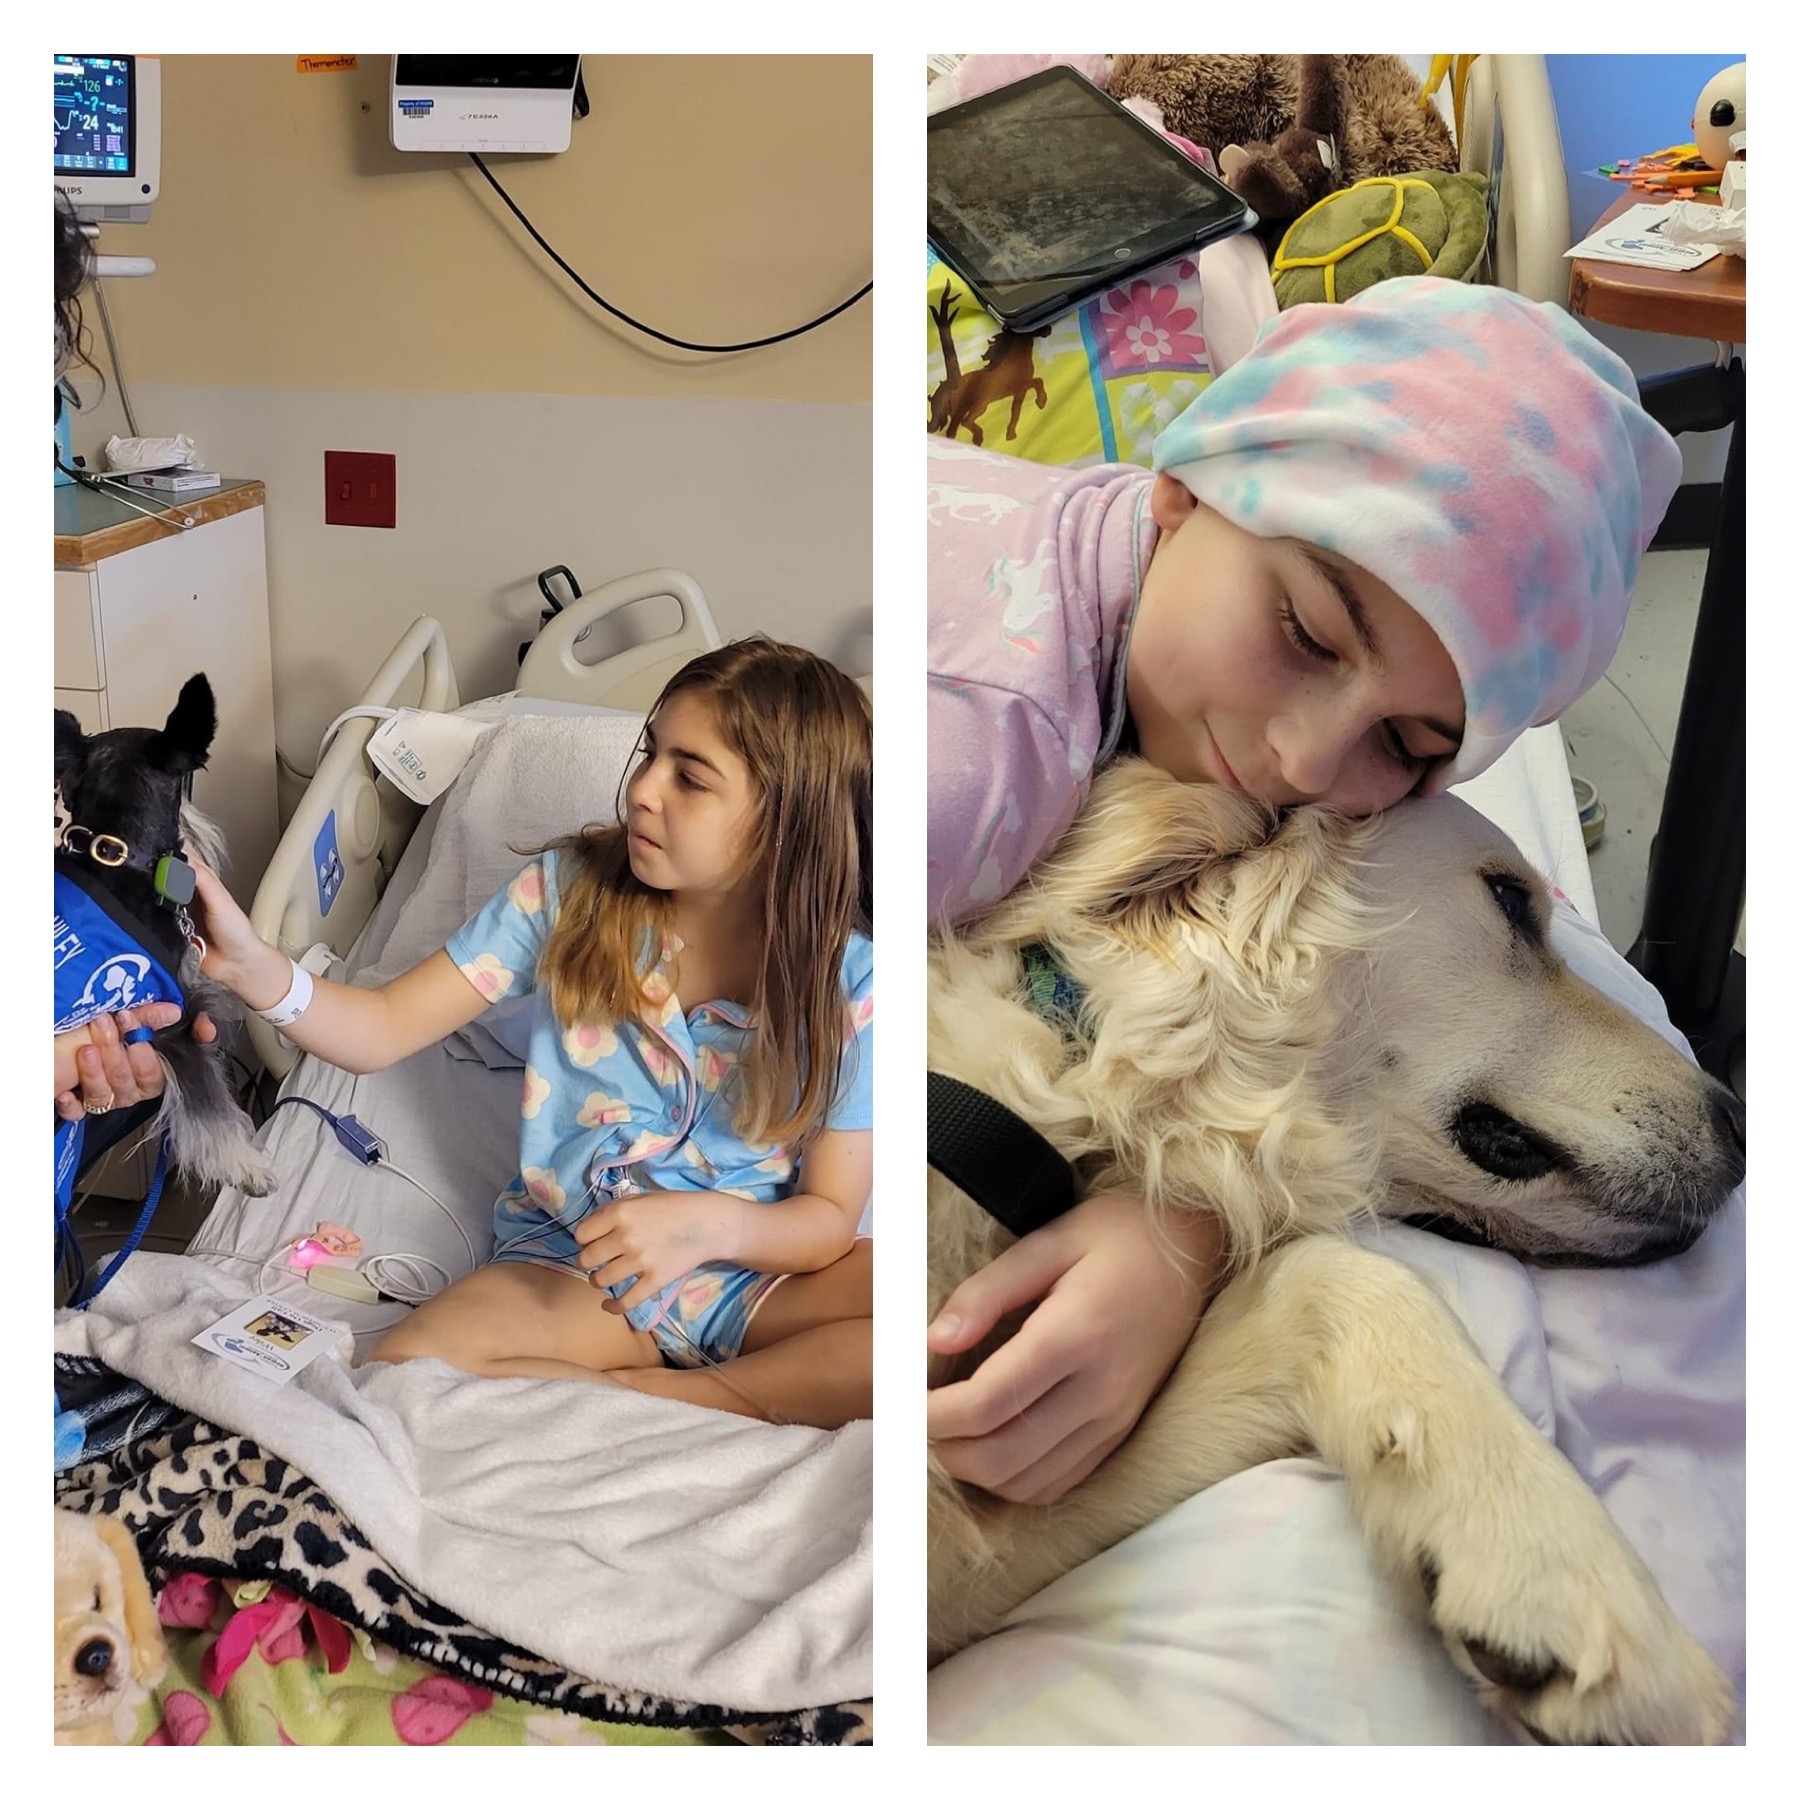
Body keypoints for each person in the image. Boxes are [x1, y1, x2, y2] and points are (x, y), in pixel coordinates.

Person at [925, 276, 1683, 1504]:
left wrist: (1178, 1231)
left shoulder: (1187, 614)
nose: (1308, 766)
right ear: (1177, 489)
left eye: (1412, 746)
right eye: (1312, 634)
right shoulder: (969, 760)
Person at [188, 639, 875, 1429]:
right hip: (583, 1273)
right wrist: (253, 968)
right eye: (651, 754)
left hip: (756, 1276)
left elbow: (826, 1219)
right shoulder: (569, 896)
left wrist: (707, 1225)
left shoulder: (847, 986)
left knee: (953, 1334)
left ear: (787, 823)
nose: (644, 790)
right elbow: (379, 1029)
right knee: (404, 1372)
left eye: (689, 777)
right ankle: (730, 1395)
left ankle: (666, 1400)